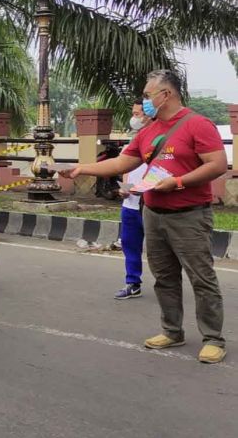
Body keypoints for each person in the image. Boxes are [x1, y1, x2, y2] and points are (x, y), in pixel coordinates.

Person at [59, 69, 228, 364]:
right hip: (153, 212)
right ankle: (172, 331)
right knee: (164, 277)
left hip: (189, 215)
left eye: (149, 95)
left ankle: (213, 338)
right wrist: (81, 169)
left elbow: (216, 165)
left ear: (167, 94)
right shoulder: (148, 132)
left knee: (201, 277)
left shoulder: (198, 125)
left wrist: (177, 182)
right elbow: (123, 161)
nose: (145, 102)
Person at [114, 99, 151, 300]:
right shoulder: (131, 145)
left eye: (137, 114)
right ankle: (132, 283)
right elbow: (124, 170)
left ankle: (169, 286)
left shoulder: (158, 144)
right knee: (130, 244)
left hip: (151, 206)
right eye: (134, 113)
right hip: (130, 205)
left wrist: (143, 190)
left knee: (160, 251)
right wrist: (125, 188)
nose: (134, 118)